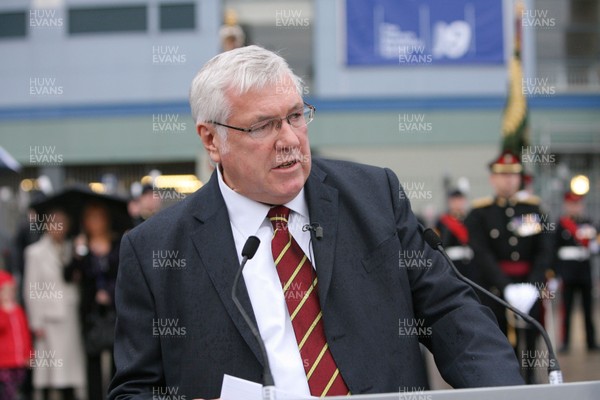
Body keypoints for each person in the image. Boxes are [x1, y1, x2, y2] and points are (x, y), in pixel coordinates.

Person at [108, 45, 524, 399]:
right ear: (212, 140)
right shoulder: (154, 251)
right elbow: (136, 387)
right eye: (263, 126)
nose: (289, 139)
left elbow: (450, 310)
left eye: (294, 116)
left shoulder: (374, 195)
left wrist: (505, 391)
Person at [465, 151, 553, 384]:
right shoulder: (480, 213)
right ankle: (507, 383)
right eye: (502, 175)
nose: (508, 180)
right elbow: (481, 253)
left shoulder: (534, 210)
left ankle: (531, 381)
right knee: (499, 340)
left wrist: (533, 284)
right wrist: (505, 286)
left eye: (513, 175)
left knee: (532, 338)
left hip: (529, 284)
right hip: (494, 288)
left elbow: (544, 250)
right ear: (492, 179)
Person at [23, 209, 85, 400]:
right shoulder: (35, 253)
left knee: (70, 371)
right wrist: (36, 322)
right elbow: (30, 288)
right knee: (47, 372)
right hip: (49, 319)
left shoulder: (72, 249)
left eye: (63, 222)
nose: (59, 227)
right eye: (54, 222)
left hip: (70, 316)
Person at [64, 202, 120, 400]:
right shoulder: (81, 246)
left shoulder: (119, 244)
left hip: (115, 312)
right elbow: (68, 275)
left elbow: (126, 275)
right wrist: (78, 253)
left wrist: (110, 293)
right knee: (92, 364)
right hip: (91, 314)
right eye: (90, 218)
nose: (94, 222)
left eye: (98, 217)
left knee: (118, 363)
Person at [553, 191, 598, 352]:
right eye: (572, 204)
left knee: (588, 309)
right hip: (567, 273)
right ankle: (565, 342)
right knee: (567, 309)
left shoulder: (589, 223)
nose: (575, 207)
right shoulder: (561, 225)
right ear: (566, 205)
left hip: (584, 272)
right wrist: (554, 274)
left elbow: (595, 245)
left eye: (578, 204)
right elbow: (554, 250)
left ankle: (591, 342)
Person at [0, 270, 32, 400]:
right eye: (4, 291)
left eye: (11, 291)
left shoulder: (18, 311)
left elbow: (25, 334)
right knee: (7, 391)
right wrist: (5, 311)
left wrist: (28, 354)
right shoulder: (3, 313)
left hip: (18, 361)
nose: (9, 295)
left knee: (17, 388)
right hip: (4, 362)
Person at [434, 189, 476, 281]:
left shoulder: (470, 219)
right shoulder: (442, 221)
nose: (458, 203)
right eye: (455, 200)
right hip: (451, 262)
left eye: (460, 200)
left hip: (469, 262)